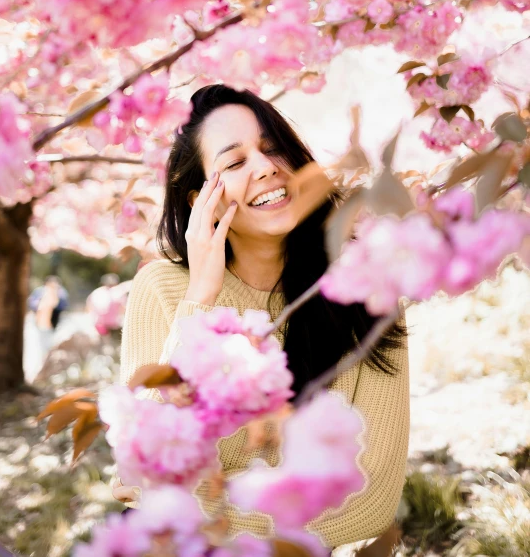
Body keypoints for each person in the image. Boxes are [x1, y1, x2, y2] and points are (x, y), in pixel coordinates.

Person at [117, 84, 409, 550]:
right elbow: (148, 458)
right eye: (234, 162)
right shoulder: (164, 292)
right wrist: (200, 299)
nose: (266, 167)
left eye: (273, 150)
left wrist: (203, 506)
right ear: (198, 201)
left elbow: (371, 500)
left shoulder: (365, 288)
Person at [28, 275, 69, 358]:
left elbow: (62, 305)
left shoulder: (61, 292)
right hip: (41, 321)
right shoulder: (40, 291)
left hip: (54, 321)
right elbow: (33, 303)